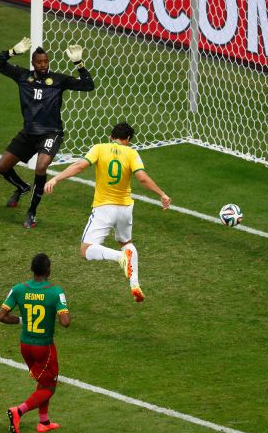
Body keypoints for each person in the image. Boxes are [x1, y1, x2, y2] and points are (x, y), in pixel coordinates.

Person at [44, 122, 172, 302]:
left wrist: (56, 178)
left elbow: (80, 166)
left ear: (111, 136)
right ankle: (134, 283)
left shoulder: (99, 148)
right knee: (125, 241)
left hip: (104, 208)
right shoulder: (132, 153)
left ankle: (120, 258)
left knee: (86, 250)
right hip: (126, 208)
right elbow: (142, 178)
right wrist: (162, 194)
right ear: (128, 140)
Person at [0, 37, 95, 228]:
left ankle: (32, 213)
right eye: (39, 62)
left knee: (41, 167)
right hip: (29, 133)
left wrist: (79, 63)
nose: (43, 65)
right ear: (33, 63)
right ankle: (22, 187)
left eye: (46, 61)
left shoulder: (58, 80)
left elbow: (89, 85)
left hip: (51, 133)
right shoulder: (22, 76)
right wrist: (12, 52)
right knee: (2, 167)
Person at [0, 253, 70, 433]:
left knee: (43, 382)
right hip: (44, 348)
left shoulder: (19, 289)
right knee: (49, 387)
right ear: (49, 270)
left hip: (25, 347)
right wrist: (59, 309)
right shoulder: (55, 292)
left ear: (31, 269)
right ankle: (18, 411)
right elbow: (65, 322)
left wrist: (22, 320)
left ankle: (44, 422)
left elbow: (1, 316)